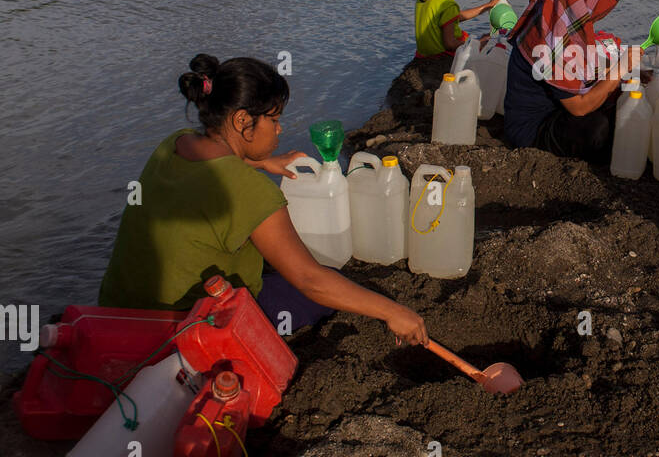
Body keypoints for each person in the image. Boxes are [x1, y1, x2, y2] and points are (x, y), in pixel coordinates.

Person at [98, 54, 429, 344]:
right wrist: (393, 311)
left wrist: (258, 161)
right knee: (328, 286)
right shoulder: (251, 191)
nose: (280, 130)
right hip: (185, 329)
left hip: (118, 313)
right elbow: (310, 280)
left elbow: (211, 168)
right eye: (274, 119)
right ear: (243, 120)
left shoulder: (175, 143)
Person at [501, 0, 643, 165]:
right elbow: (579, 108)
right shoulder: (547, 45)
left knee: (617, 101)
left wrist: (634, 71)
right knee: (597, 127)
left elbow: (585, 67)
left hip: (555, 111)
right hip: (532, 131)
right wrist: (620, 69)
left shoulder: (550, 26)